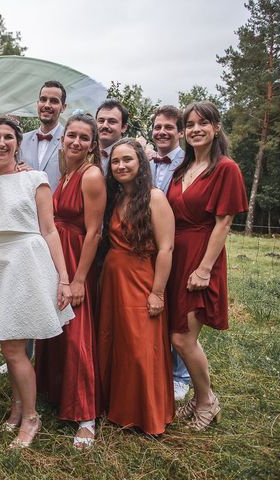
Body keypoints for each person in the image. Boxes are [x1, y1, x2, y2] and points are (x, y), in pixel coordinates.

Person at [0, 117, 74, 448]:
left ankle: (31, 418)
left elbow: (50, 230)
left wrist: (64, 279)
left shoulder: (35, 179)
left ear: (17, 143)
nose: (1, 142)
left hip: (26, 260)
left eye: (8, 137)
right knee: (10, 345)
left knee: (13, 347)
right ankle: (17, 406)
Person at [167, 101, 248, 431]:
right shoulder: (181, 170)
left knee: (183, 337)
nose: (196, 129)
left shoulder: (226, 168)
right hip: (176, 256)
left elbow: (224, 222)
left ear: (216, 128)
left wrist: (204, 269)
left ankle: (206, 401)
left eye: (204, 123)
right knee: (177, 334)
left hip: (203, 255)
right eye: (190, 124)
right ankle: (201, 398)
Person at [35, 113, 106, 449]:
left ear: (93, 145)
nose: (75, 142)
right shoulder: (66, 173)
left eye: (83, 138)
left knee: (77, 330)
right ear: (63, 139)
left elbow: (94, 233)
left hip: (78, 257)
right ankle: (56, 391)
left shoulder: (90, 175)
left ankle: (86, 415)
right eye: (71, 136)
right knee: (56, 325)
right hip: (58, 257)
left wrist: (78, 280)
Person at [97, 138, 176, 435]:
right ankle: (115, 407)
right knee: (114, 342)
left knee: (141, 346)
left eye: (127, 159)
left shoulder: (155, 197)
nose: (121, 166)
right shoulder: (115, 198)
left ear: (141, 163)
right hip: (113, 281)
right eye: (116, 161)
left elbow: (166, 249)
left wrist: (157, 293)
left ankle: (146, 413)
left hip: (141, 280)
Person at [149, 105, 190, 402]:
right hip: (147, 246)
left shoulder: (188, 163)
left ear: (180, 132)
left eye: (168, 128)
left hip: (177, 242)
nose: (162, 132)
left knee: (175, 306)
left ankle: (180, 375)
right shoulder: (146, 161)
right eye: (158, 127)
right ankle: (157, 364)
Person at [19, 80, 67, 191]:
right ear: (37, 103)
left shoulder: (70, 142)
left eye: (54, 101)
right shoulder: (21, 140)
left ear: (63, 107)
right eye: (43, 99)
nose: (47, 105)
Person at [95, 99, 129, 174]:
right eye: (101, 121)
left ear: (123, 127)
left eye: (112, 121)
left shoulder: (131, 156)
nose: (105, 125)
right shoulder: (87, 152)